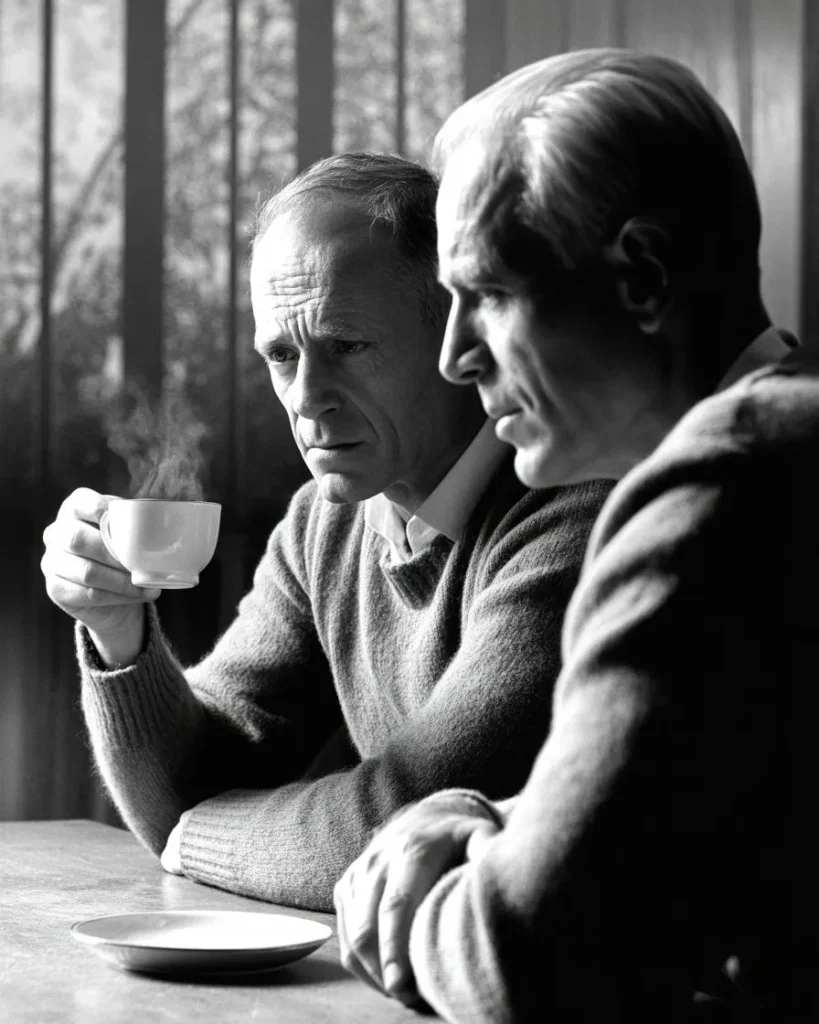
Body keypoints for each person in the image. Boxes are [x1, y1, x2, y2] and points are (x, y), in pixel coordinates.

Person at [334, 52, 818, 1020]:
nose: (453, 354)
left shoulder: (721, 486)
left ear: (642, 277)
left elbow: (525, 951)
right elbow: (696, 823)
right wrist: (494, 819)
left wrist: (413, 896)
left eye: (488, 294)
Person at [41, 153, 611, 912]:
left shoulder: (571, 512)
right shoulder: (325, 519)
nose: (307, 398)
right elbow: (193, 778)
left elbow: (405, 814)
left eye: (346, 345)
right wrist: (120, 633)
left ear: (456, 331)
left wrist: (191, 836)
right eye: (281, 354)